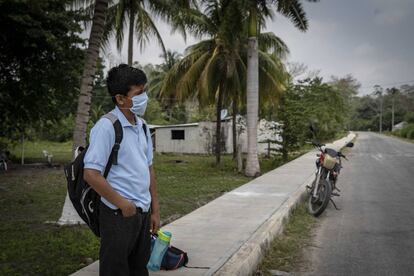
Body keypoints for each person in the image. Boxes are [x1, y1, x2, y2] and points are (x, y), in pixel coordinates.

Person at [83, 64, 160, 276]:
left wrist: (154, 210)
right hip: (118, 214)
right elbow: (90, 174)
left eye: (144, 91)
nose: (144, 97)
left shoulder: (142, 126)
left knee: (138, 268)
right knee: (115, 270)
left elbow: (149, 169)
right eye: (139, 93)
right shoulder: (106, 127)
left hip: (142, 213)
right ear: (120, 99)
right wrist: (123, 204)